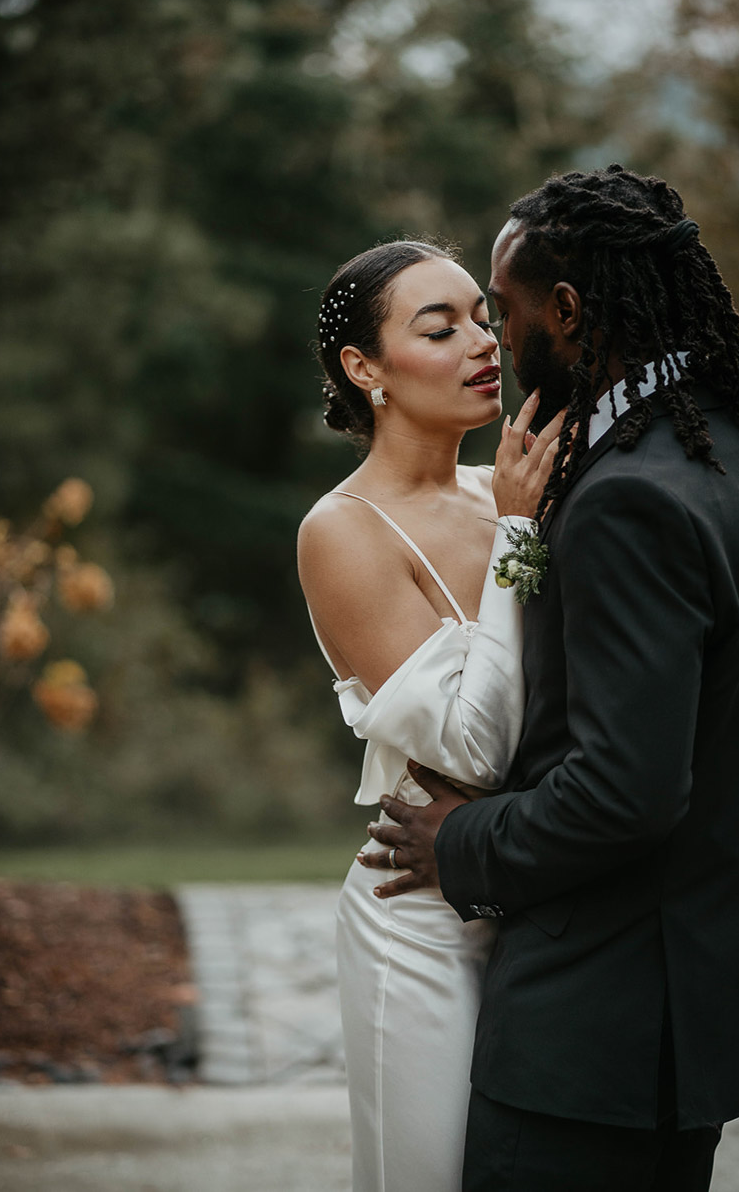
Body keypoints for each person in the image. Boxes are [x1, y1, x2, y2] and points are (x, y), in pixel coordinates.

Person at [360, 165, 739, 1191]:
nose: (495, 342)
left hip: (592, 1037)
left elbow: (625, 790)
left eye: (501, 311)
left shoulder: (628, 496)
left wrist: (461, 839)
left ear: (569, 309)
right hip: (679, 1029)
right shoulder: (737, 462)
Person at [297, 238, 561, 1192]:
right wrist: (522, 534)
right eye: (438, 327)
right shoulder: (343, 530)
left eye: (482, 319)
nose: (481, 343)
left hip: (545, 897)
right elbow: (474, 743)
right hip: (422, 925)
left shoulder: (505, 487)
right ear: (364, 368)